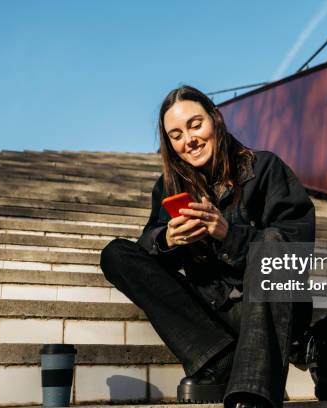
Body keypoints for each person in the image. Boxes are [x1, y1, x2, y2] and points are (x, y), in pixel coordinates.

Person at [100, 85, 315, 408]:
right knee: (116, 254)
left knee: (273, 241)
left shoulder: (266, 169)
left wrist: (228, 234)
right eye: (175, 135)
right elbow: (147, 247)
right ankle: (220, 360)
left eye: (195, 124)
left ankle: (251, 392)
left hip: (267, 308)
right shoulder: (168, 187)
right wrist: (167, 239)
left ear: (215, 119)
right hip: (211, 314)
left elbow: (296, 248)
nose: (189, 140)